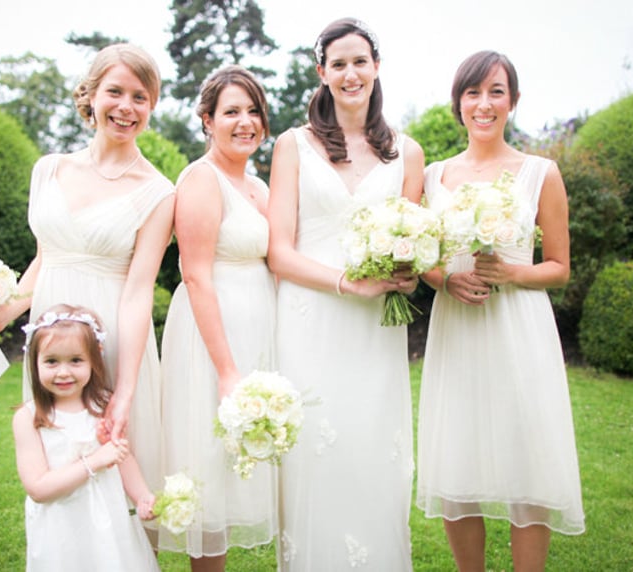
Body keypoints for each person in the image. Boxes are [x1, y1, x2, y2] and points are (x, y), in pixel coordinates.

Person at [0, 43, 175, 541]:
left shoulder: (159, 192)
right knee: (59, 460)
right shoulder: (49, 169)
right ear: (91, 95)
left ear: (152, 106)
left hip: (114, 340)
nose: (126, 107)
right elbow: (46, 258)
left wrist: (124, 391)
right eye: (115, 92)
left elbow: (138, 293)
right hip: (50, 337)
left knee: (121, 467)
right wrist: (4, 311)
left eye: (140, 97)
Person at [416, 50, 585, 571]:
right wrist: (446, 279)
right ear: (458, 103)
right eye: (473, 93)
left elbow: (559, 267)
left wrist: (511, 273)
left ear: (513, 101)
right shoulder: (434, 177)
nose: (483, 104)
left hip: (519, 329)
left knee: (527, 458)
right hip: (458, 328)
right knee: (458, 459)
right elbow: (424, 259)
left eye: (496, 92)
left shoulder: (540, 173)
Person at [267, 18, 425, 571]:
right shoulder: (293, 146)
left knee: (373, 448)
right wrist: (346, 283)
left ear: (376, 67)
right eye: (338, 64)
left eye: (360, 61)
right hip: (308, 319)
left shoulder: (407, 152)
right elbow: (278, 252)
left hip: (374, 327)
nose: (350, 73)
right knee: (314, 447)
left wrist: (406, 273)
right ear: (322, 72)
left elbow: (413, 244)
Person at [159, 65, 277, 572]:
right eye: (231, 112)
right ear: (207, 120)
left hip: (256, 329)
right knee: (208, 467)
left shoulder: (259, 186)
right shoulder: (201, 179)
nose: (245, 122)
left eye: (254, 111)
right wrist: (227, 370)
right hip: (213, 338)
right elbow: (196, 274)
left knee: (237, 468)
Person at [13, 304, 159, 571]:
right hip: (61, 528)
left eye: (76, 360)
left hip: (109, 520)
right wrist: (94, 461)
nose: (63, 372)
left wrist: (141, 496)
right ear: (35, 363)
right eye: (51, 361)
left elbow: (123, 458)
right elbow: (38, 489)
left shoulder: (104, 405)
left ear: (93, 361)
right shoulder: (29, 418)